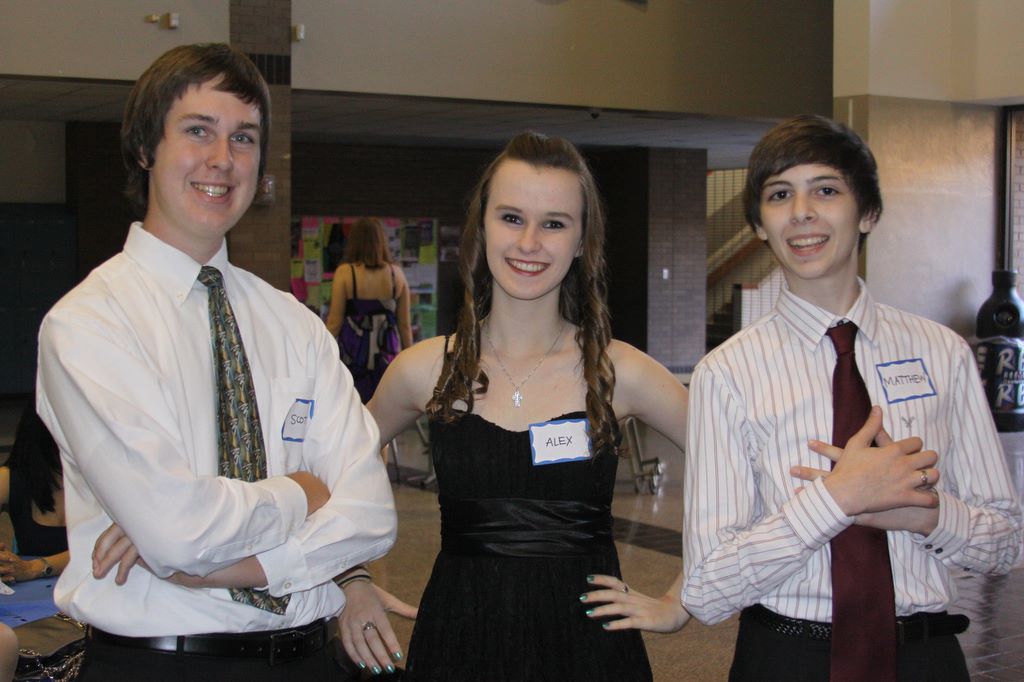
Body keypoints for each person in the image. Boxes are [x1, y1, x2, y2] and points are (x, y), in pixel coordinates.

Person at [35, 43, 396, 681]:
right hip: (163, 664)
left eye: (244, 138)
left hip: (310, 662)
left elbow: (370, 514)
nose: (223, 159)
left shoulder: (294, 324)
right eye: (198, 130)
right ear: (145, 148)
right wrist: (303, 491)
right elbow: (178, 530)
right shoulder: (90, 324)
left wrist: (241, 563)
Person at [334, 131, 690, 681]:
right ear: (482, 228)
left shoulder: (620, 371)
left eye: (554, 223)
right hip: (459, 639)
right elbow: (332, 469)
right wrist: (351, 578)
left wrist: (684, 598)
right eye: (511, 218)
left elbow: (738, 468)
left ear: (581, 241)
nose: (529, 242)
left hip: (588, 650)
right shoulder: (424, 370)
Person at [682, 114, 1022, 681]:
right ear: (760, 225)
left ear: (868, 212)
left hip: (925, 658)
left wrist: (925, 514)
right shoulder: (726, 373)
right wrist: (836, 500)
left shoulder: (943, 353)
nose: (802, 212)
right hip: (786, 659)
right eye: (780, 194)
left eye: (826, 190)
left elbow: (1005, 545)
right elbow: (707, 589)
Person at [326, 217, 414, 404]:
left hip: (354, 353)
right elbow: (405, 326)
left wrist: (322, 354)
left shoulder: (345, 273)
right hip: (387, 353)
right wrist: (411, 362)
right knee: (386, 404)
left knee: (354, 404)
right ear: (381, 241)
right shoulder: (396, 274)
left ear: (354, 241)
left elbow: (334, 322)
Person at [0, 402, 69, 583]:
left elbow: (98, 551)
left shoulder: (107, 480)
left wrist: (33, 568)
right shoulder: (9, 478)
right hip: (34, 594)